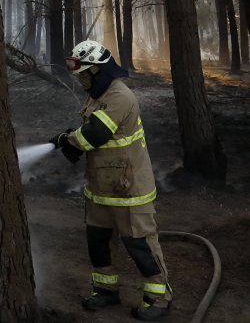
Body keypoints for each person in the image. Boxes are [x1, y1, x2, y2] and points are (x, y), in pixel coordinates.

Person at [50, 39, 171, 321]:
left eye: (84, 73)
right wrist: (70, 141)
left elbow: (94, 134)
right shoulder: (97, 93)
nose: (81, 79)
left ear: (98, 70)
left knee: (140, 245)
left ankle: (159, 299)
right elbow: (92, 133)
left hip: (129, 190)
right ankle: (106, 291)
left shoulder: (120, 96)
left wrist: (66, 140)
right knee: (98, 243)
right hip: (101, 189)